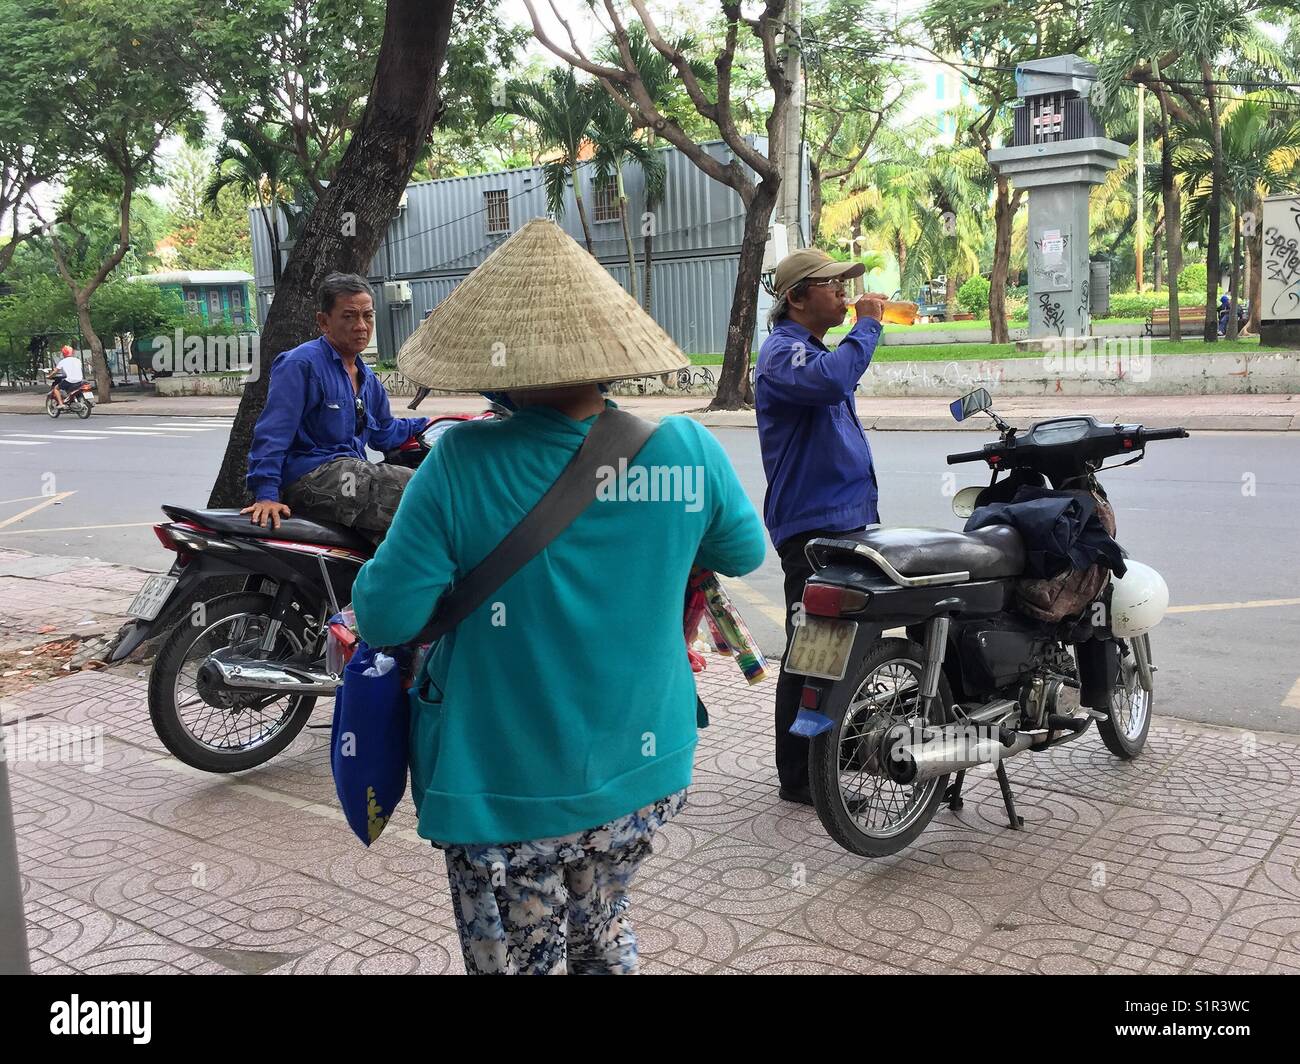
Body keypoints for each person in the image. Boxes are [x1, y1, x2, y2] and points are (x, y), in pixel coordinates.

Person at [350, 219, 766, 975]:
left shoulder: (459, 464)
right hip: (641, 766)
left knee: (520, 953)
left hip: (502, 783)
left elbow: (385, 617)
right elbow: (741, 550)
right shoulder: (687, 448)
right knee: (602, 916)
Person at [753, 248, 887, 806]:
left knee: (837, 646)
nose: (843, 293)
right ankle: (802, 776)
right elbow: (834, 382)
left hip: (841, 523)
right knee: (812, 648)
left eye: (845, 285)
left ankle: (828, 751)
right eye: (831, 285)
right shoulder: (783, 354)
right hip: (813, 531)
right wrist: (869, 325)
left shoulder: (810, 350)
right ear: (797, 298)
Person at [243, 272, 428, 543]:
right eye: (349, 316)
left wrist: (435, 425)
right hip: (311, 476)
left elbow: (384, 433)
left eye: (368, 315)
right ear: (324, 322)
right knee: (421, 490)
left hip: (349, 475)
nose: (361, 326)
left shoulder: (367, 378)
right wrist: (266, 494)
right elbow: (273, 433)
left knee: (406, 535)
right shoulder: (301, 364)